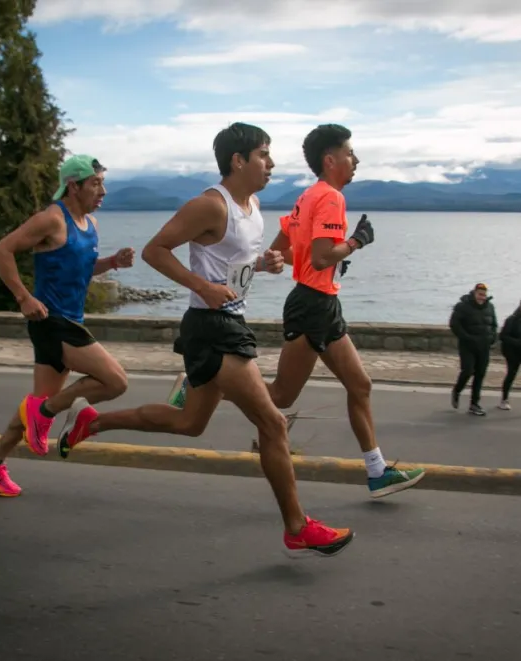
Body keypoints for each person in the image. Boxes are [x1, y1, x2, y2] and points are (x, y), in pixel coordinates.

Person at [49, 122, 356, 558]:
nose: (271, 163)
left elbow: (236, 265)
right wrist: (204, 286)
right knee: (271, 423)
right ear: (238, 160)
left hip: (228, 323)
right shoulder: (211, 205)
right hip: (212, 327)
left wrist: (266, 263)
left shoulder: (253, 209)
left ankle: (91, 421)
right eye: (264, 155)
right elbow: (156, 249)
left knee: (188, 424)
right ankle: (297, 526)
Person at [172, 123, 425, 499]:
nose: (355, 160)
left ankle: (376, 471)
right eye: (350, 153)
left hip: (321, 302)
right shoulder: (331, 200)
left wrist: (328, 262)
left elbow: (286, 253)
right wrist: (354, 243)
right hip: (313, 306)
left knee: (355, 386)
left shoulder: (307, 198)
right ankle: (199, 384)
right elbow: (321, 256)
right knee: (283, 397)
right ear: (330, 159)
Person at [0, 154, 136, 497]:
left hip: (68, 319)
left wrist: (112, 263)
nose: (102, 191)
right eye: (95, 183)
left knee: (39, 402)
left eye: (103, 182)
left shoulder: (89, 224)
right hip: (52, 321)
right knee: (116, 381)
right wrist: (23, 297)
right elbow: (1, 250)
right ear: (73, 186)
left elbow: (80, 270)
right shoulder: (51, 218)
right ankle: (44, 412)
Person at [449, 283, 498, 416]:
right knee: (468, 370)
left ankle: (474, 404)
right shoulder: (463, 306)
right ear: (474, 293)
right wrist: (467, 337)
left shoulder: (490, 307)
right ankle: (457, 390)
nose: (482, 297)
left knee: (480, 374)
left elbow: (494, 324)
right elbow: (454, 324)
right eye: (479, 294)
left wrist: (492, 337)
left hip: (484, 347)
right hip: (468, 346)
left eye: (484, 295)